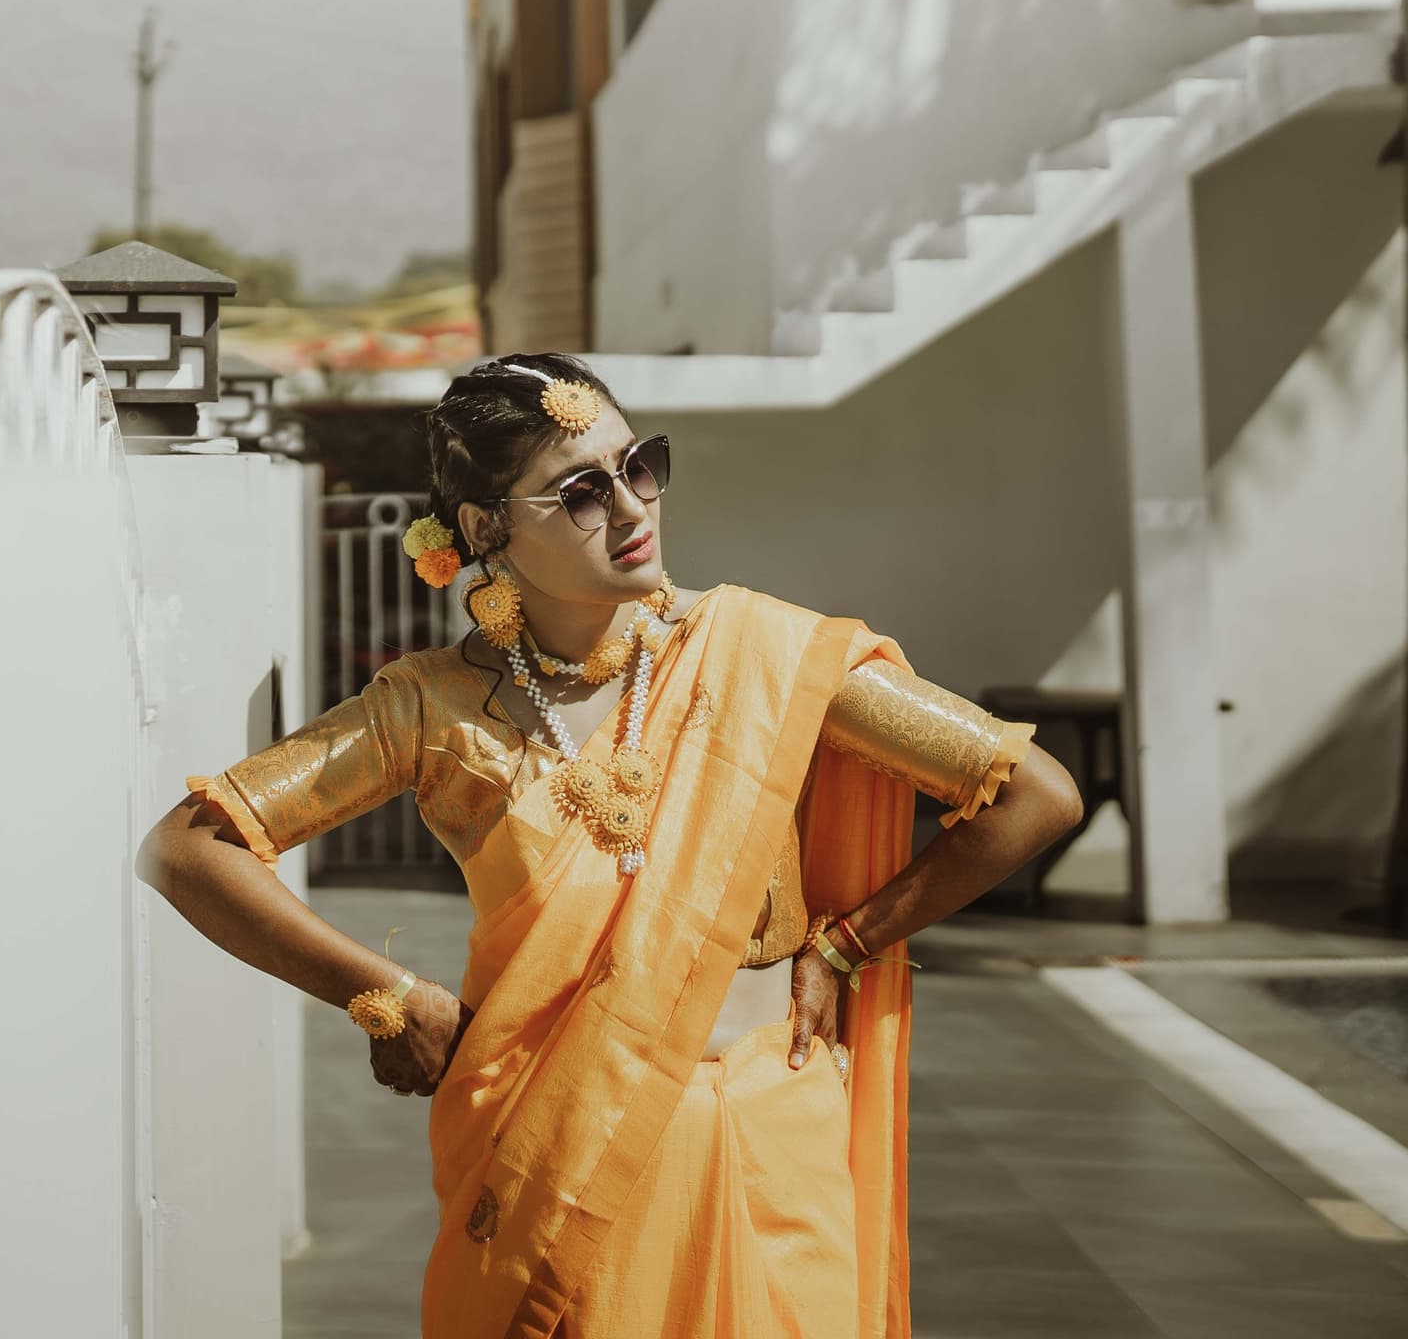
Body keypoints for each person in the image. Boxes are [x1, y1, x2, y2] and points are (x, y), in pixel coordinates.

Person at [137, 353, 1085, 1338]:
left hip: (768, 1144)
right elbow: (190, 850)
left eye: (640, 466)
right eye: (583, 491)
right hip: (556, 1156)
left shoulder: (763, 656)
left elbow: (1033, 794)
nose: (634, 508)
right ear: (484, 529)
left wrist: (848, 941)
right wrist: (388, 997)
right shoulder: (430, 708)